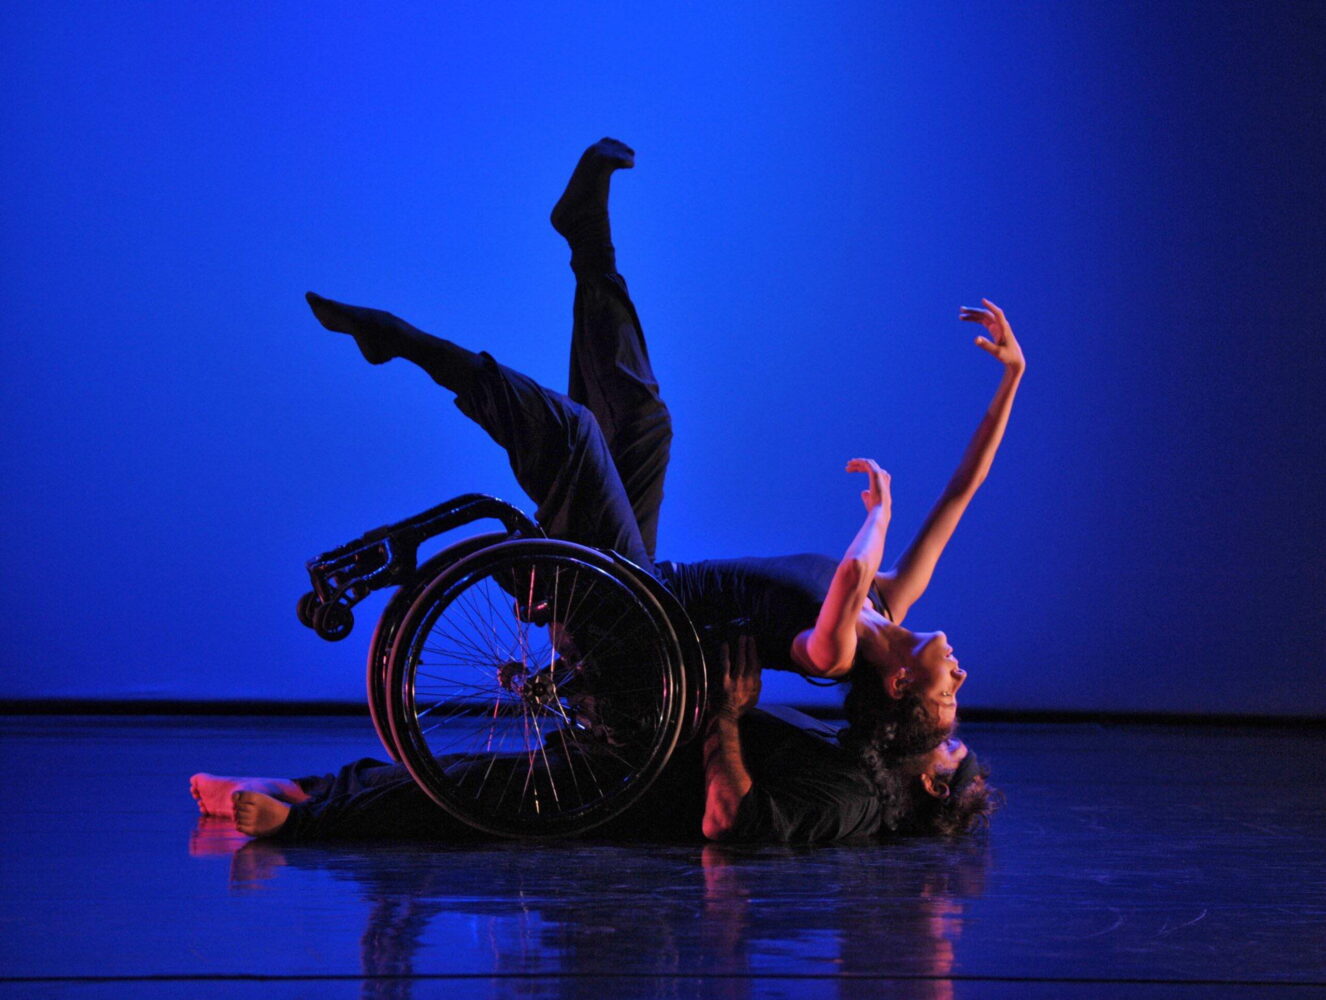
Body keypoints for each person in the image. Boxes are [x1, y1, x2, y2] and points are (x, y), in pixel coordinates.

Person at [194, 138, 1010, 842]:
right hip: (642, 581)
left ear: (898, 686)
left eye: (948, 701)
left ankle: (409, 346)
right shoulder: (894, 602)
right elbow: (962, 492)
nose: (962, 677)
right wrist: (1012, 378)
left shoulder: (834, 655)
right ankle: (588, 240)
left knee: (576, 438)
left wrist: (878, 517)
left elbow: (849, 577)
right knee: (645, 422)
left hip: (631, 627)